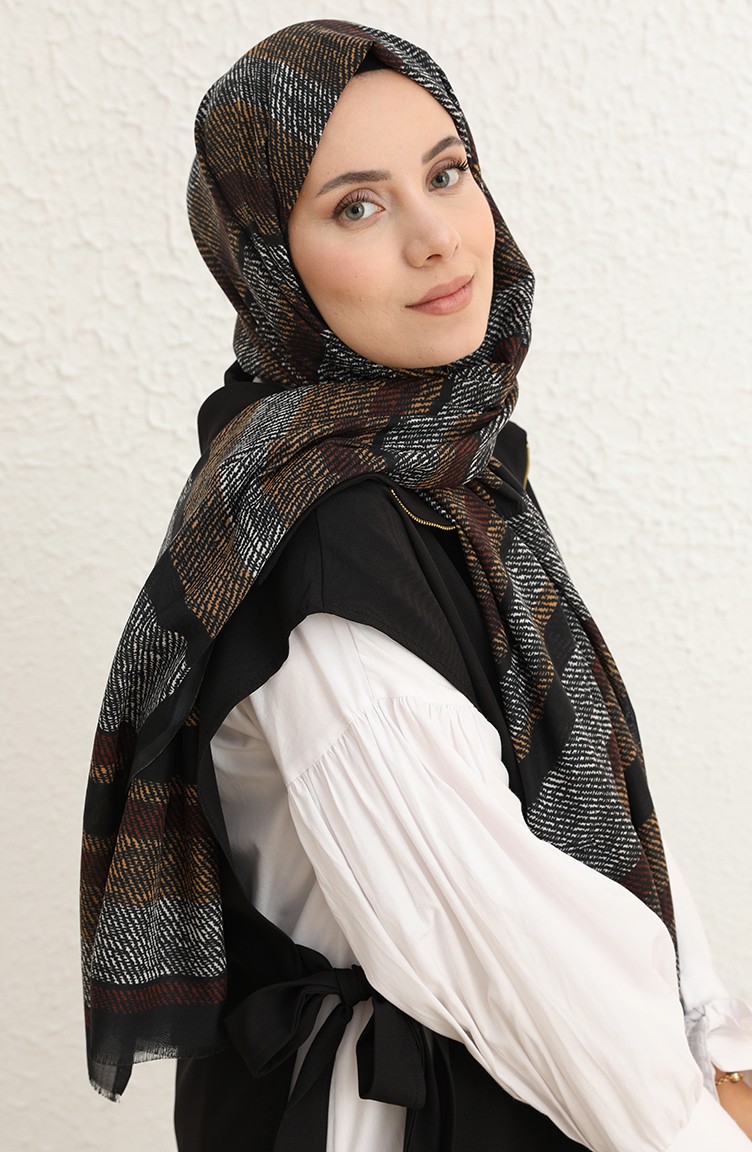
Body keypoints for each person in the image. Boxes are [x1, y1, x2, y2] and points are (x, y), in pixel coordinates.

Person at [80, 19, 752, 1152]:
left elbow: (586, 823)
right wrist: (697, 1124)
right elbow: (499, 940)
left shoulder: (447, 475)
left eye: (446, 174)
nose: (438, 238)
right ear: (269, 263)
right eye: (357, 206)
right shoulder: (315, 536)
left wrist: (715, 1045)